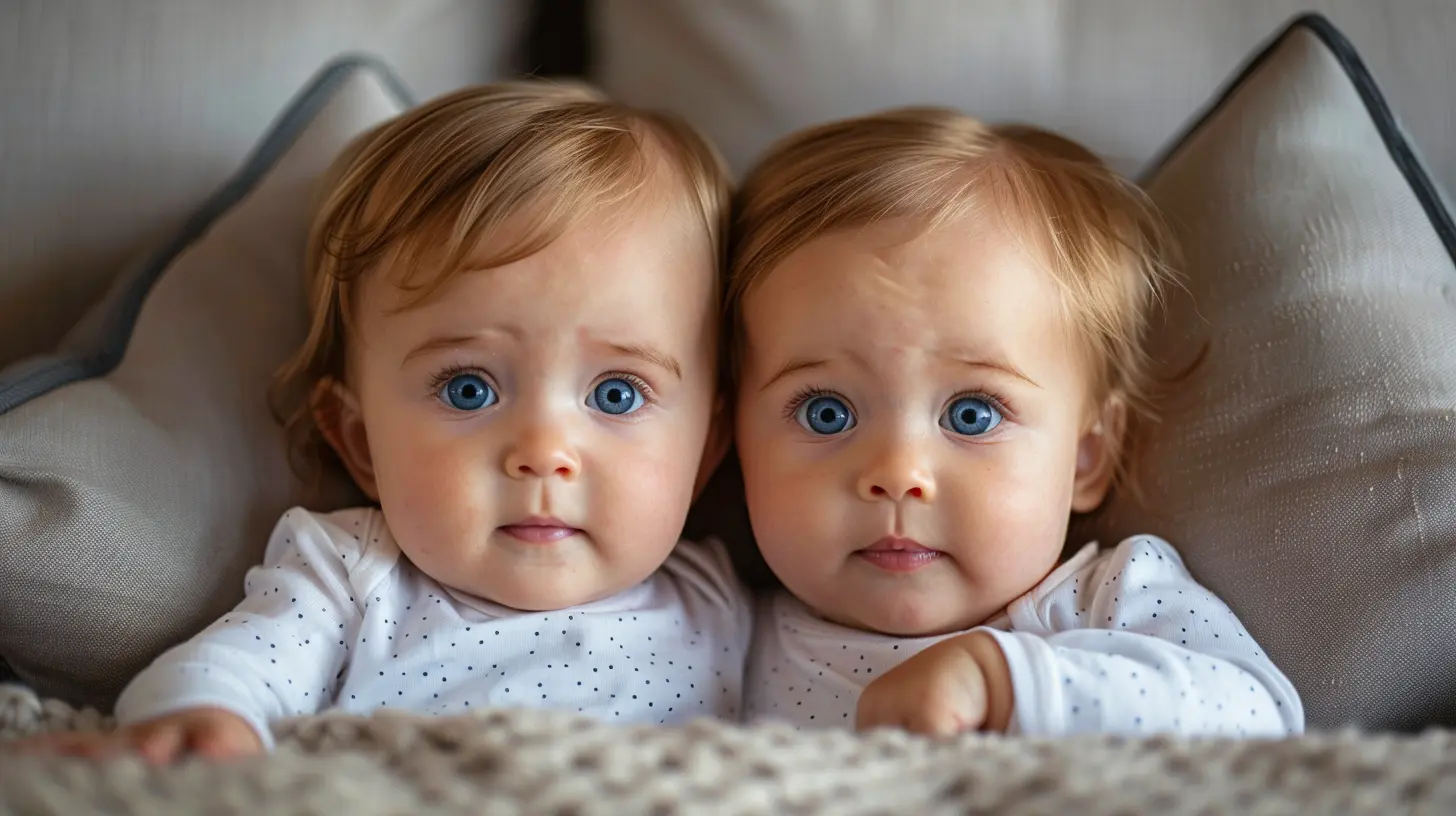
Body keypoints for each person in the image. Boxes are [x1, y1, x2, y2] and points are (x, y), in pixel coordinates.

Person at [16, 80, 748, 762]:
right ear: (360, 442)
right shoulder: (352, 576)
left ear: (708, 447)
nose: (543, 453)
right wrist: (202, 722)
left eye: (617, 394)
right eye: (469, 390)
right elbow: (229, 672)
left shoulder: (722, 602)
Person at [729, 108, 1302, 737]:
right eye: (826, 412)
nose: (897, 474)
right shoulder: (717, 625)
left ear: (1085, 455)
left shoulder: (1104, 601)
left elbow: (1257, 715)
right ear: (733, 437)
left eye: (972, 415)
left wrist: (1006, 680)